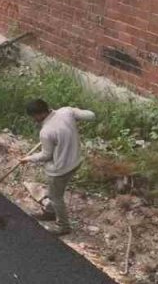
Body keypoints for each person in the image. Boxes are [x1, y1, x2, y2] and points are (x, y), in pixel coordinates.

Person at [21, 99, 96, 236]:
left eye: (33, 117)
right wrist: (75, 113)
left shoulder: (46, 131)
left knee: (56, 197)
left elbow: (46, 155)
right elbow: (91, 115)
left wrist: (28, 159)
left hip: (60, 168)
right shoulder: (66, 111)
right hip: (75, 161)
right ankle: (50, 212)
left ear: (39, 114)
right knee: (53, 191)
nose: (33, 120)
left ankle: (63, 226)